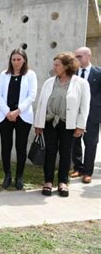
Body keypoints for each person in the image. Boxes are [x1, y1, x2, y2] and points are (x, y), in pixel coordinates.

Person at [34, 52, 90, 197]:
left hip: (68, 124)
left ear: (67, 66)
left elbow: (84, 107)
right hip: (50, 123)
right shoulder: (49, 82)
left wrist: (80, 126)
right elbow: (41, 104)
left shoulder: (81, 83)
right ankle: (48, 182)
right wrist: (38, 123)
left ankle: (63, 182)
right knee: (50, 153)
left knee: (66, 153)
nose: (54, 67)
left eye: (57, 64)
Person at [0, 48, 37, 190]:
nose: (16, 62)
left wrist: (18, 111)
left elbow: (32, 96)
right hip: (5, 116)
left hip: (23, 116)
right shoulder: (3, 75)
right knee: (6, 146)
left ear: (24, 60)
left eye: (19, 59)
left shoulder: (30, 75)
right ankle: (7, 175)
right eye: (14, 59)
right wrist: (8, 112)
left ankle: (19, 176)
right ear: (10, 60)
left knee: (21, 147)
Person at [71, 47, 101, 184]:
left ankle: (88, 172)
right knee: (74, 141)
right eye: (75, 56)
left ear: (88, 56)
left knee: (91, 143)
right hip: (75, 114)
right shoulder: (72, 74)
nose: (76, 59)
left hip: (92, 115)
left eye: (79, 56)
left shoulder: (98, 73)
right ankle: (78, 168)